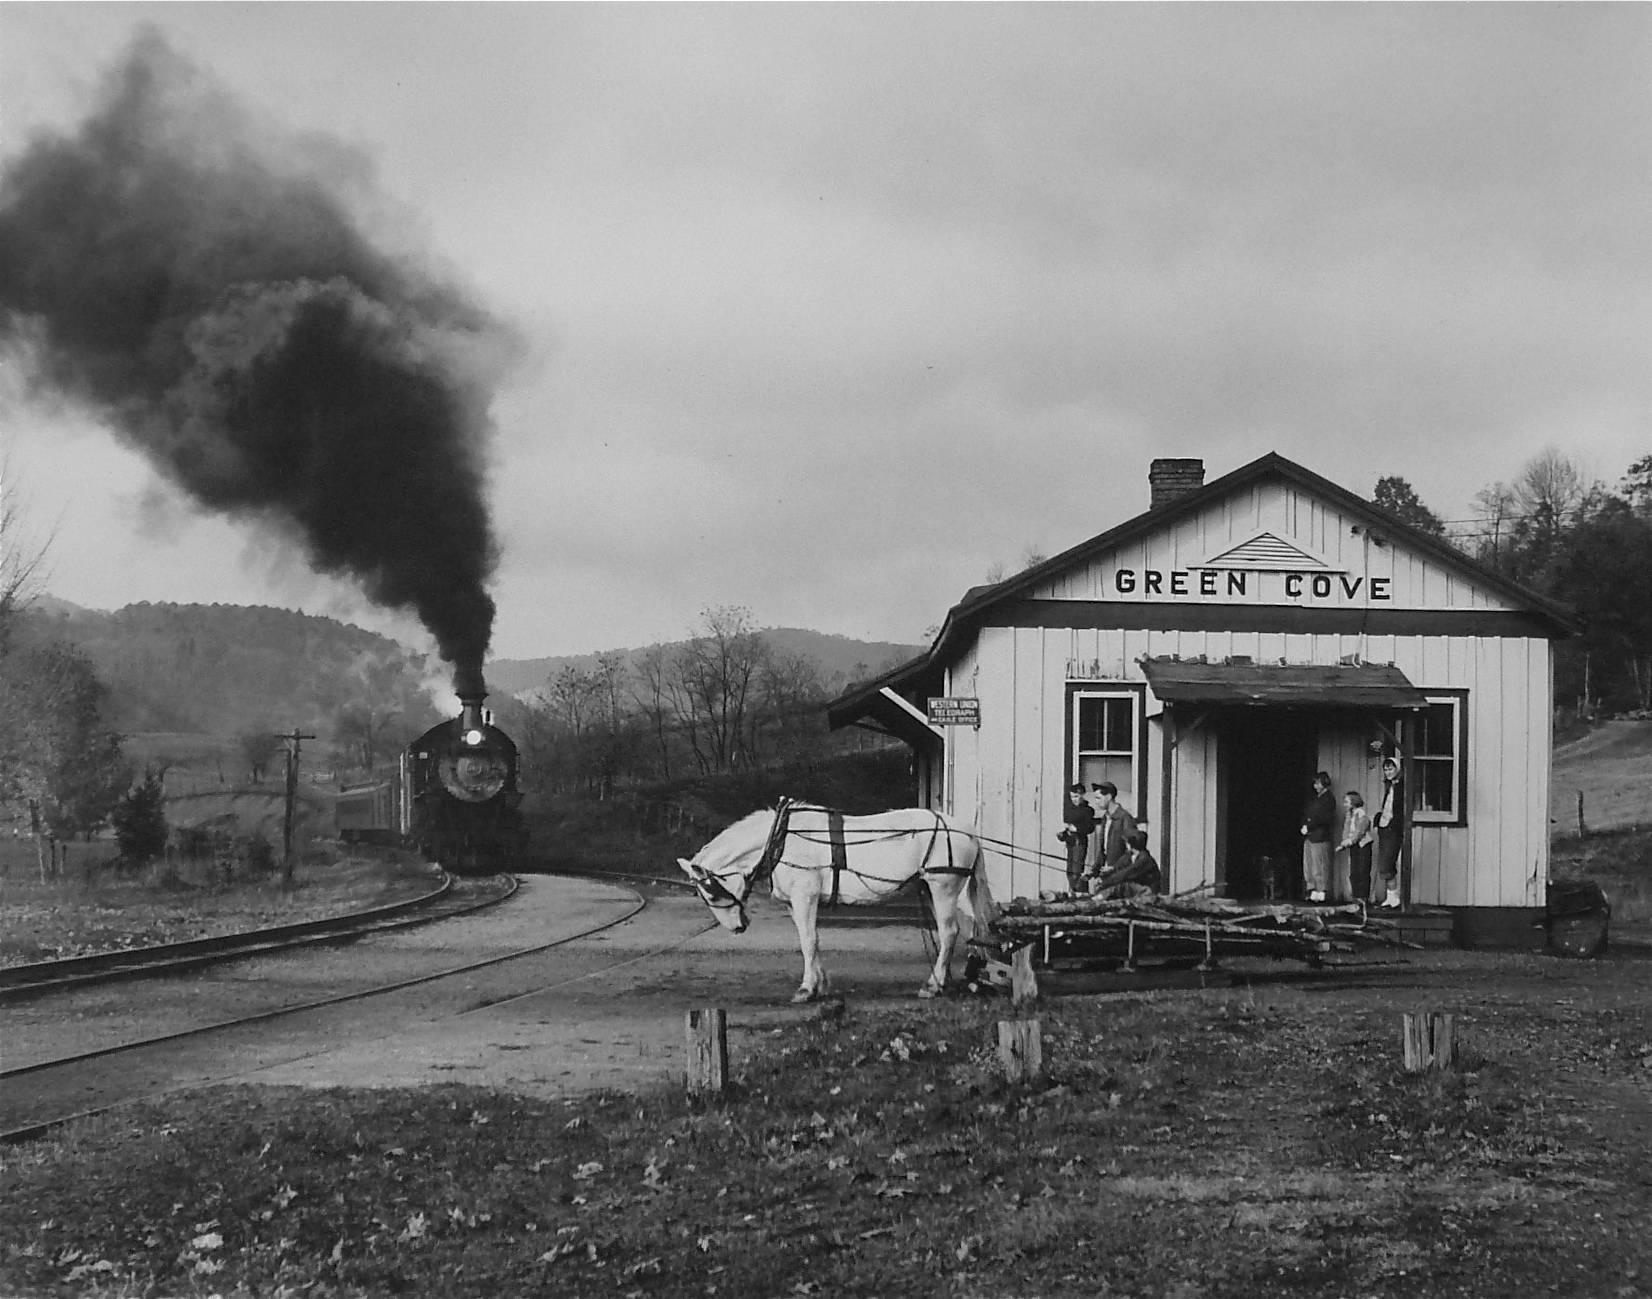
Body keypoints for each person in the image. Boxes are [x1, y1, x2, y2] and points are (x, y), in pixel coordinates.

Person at [1089, 829, 1161, 899]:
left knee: (1122, 885)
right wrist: (1104, 875)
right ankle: (1099, 897)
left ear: (1131, 844)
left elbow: (1125, 874)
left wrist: (1105, 882)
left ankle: (1098, 899)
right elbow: (1118, 867)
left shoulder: (1145, 859)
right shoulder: (1130, 856)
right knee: (1115, 885)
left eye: (1126, 842)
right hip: (1136, 890)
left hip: (1148, 892)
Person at [1088, 782, 1138, 878]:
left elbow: (1132, 850)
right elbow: (1103, 850)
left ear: (1109, 797)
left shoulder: (1125, 818)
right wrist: (1094, 870)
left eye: (1098, 798)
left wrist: (1115, 867)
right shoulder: (1105, 818)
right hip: (1107, 874)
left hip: (1121, 875)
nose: (1096, 802)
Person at [1300, 771, 1336, 904]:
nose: (1315, 785)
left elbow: (1323, 818)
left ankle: (1322, 891)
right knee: (1309, 864)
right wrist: (1305, 825)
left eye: (1317, 783)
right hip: (1310, 835)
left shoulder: (1328, 799)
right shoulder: (1316, 798)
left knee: (1319, 865)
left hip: (1320, 835)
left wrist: (1309, 826)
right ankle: (1312, 889)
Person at [1374, 756, 1404, 909]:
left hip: (1393, 829)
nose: (1387, 772)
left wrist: (1394, 824)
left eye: (1390, 769)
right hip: (1384, 827)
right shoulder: (1389, 787)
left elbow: (1400, 810)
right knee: (1385, 864)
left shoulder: (1402, 788)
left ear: (1397, 769)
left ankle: (1394, 897)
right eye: (1385, 769)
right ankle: (1391, 897)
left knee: (1388, 862)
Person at [1057, 782, 1095, 894]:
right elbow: (1068, 828)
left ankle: (1080, 892)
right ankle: (1072, 892)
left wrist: (1077, 829)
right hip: (1070, 843)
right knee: (1069, 871)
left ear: (1083, 795)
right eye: (1072, 797)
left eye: (1076, 796)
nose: (1074, 799)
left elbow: (1089, 828)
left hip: (1079, 842)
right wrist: (1062, 835)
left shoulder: (1087, 810)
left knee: (1076, 871)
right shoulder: (1070, 811)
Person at [1338, 789, 1374, 905]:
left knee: (1362, 871)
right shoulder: (1349, 815)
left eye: (1347, 802)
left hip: (1363, 844)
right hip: (1354, 846)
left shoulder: (1361, 815)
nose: (1345, 804)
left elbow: (1359, 831)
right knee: (1354, 872)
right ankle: (1356, 896)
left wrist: (1349, 841)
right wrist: (1344, 842)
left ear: (1353, 802)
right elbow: (1346, 830)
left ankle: (1363, 897)